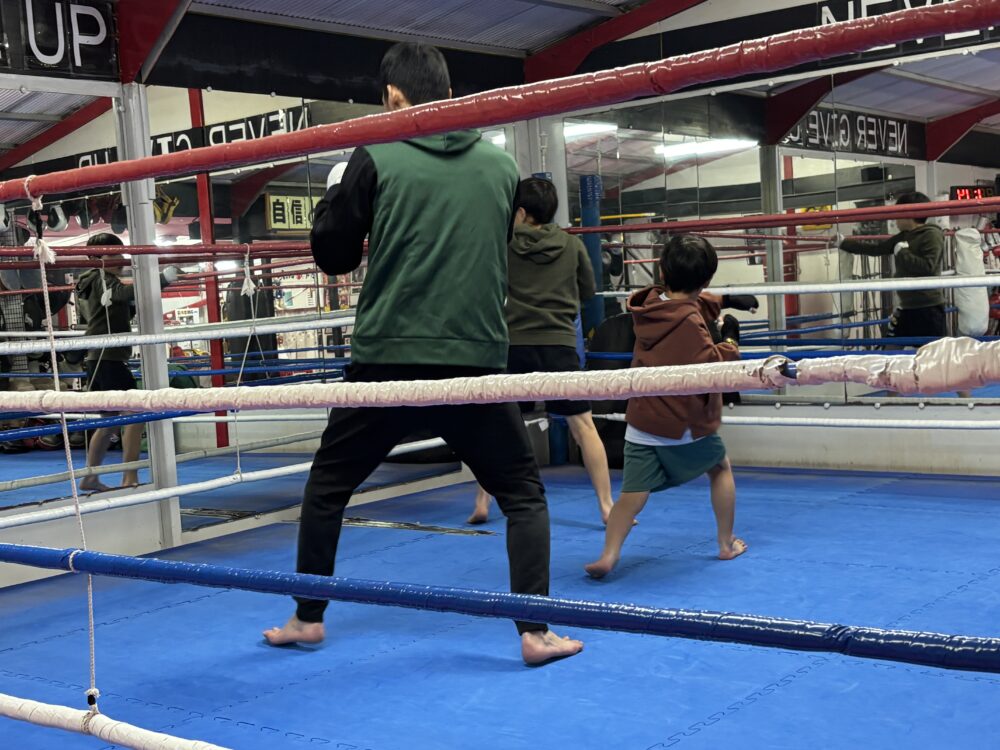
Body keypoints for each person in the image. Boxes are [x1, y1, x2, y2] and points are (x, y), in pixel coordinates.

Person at [263, 42, 583, 666]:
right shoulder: (501, 168)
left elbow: (333, 256)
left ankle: (307, 618)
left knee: (328, 486)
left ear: (393, 97)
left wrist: (336, 195)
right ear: (449, 93)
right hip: (475, 357)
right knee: (521, 493)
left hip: (388, 357)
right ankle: (535, 632)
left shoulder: (375, 153)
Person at [585, 235, 748, 579]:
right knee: (720, 469)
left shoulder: (649, 305)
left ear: (662, 271)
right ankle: (726, 542)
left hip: (642, 420)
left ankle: (609, 555)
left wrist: (725, 300)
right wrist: (731, 340)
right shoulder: (689, 323)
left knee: (631, 496)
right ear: (706, 280)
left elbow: (689, 304)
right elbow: (711, 365)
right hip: (681, 422)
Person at [467, 177, 614, 525]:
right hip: (558, 345)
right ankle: (607, 506)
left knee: (496, 427)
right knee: (583, 425)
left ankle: (482, 502)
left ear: (519, 211)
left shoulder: (503, 245)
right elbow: (588, 291)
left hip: (513, 345)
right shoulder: (571, 245)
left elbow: (486, 289)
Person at [75, 233, 178, 491]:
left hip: (100, 359)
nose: (120, 259)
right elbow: (121, 294)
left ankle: (90, 476)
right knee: (136, 413)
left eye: (120, 253)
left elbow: (118, 304)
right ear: (98, 258)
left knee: (108, 421)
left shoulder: (94, 281)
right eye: (114, 254)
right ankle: (129, 476)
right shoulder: (99, 278)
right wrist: (162, 279)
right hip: (107, 359)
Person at [839, 192, 946, 345]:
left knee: (930, 353)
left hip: (927, 307)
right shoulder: (904, 236)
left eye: (898, 215)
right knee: (890, 348)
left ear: (908, 215)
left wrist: (902, 253)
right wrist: (844, 243)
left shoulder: (932, 235)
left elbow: (928, 267)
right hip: (906, 307)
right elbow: (877, 249)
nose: (895, 220)